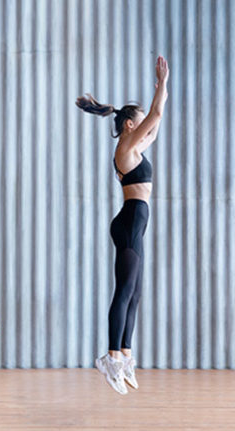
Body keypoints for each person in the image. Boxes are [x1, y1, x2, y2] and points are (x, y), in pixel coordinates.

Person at [76, 55, 169, 395]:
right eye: (140, 121)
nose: (146, 126)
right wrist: (162, 84)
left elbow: (155, 126)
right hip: (130, 223)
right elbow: (156, 117)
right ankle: (111, 355)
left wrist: (161, 89)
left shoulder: (135, 145)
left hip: (134, 223)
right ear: (130, 125)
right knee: (125, 291)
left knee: (135, 294)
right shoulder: (126, 146)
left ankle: (125, 354)